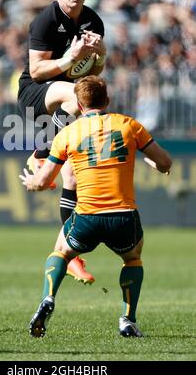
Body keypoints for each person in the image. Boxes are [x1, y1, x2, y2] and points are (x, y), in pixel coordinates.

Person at [19, 75, 172, 338]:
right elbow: (165, 163)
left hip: (87, 216)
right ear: (108, 100)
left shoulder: (68, 134)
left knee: (60, 252)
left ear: (78, 104)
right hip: (123, 217)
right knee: (132, 258)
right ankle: (128, 319)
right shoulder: (128, 125)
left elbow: (43, 182)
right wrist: (153, 164)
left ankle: (48, 298)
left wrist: (31, 181)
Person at [18, 0, 106, 284]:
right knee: (75, 97)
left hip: (68, 99)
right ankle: (42, 155)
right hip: (35, 92)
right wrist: (70, 58)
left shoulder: (93, 21)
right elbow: (37, 71)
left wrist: (101, 52)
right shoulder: (45, 21)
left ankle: (71, 255)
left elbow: (92, 73)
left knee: (72, 174)